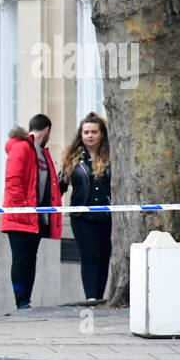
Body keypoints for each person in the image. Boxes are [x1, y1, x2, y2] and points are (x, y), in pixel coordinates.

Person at [0, 113, 63, 310]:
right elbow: (13, 182)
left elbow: (45, 185)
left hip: (34, 218)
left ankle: (26, 300)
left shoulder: (41, 152)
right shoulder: (22, 149)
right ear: (47, 130)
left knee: (29, 260)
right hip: (20, 217)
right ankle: (21, 301)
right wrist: (24, 207)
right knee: (21, 260)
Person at [58, 111, 112, 301]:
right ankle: (90, 298)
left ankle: (99, 297)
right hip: (81, 217)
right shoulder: (72, 159)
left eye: (94, 132)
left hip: (107, 216)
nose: (89, 136)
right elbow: (60, 186)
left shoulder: (111, 157)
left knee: (103, 256)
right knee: (89, 255)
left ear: (102, 134)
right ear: (80, 135)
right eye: (86, 132)